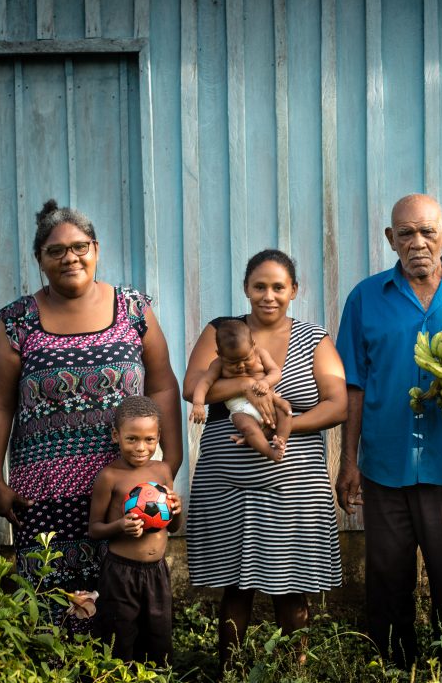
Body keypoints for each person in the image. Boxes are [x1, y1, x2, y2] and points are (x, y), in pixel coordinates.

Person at [0, 199, 182, 632]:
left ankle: (125, 672)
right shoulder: (18, 321)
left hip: (128, 488)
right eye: (56, 250)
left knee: (126, 601)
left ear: (96, 249)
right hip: (46, 492)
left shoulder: (133, 310)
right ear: (40, 260)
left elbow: (163, 385)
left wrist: (171, 462)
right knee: (53, 603)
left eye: (80, 246)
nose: (70, 257)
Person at [335, 193, 442, 673]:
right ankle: (393, 666)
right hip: (385, 466)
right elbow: (353, 384)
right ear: (390, 239)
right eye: (406, 233)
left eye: (427, 231)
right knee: (387, 581)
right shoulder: (365, 298)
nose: (417, 242)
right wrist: (348, 462)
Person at [184, 249, 347, 670]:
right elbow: (193, 387)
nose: (268, 295)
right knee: (234, 588)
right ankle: (231, 671)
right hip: (227, 477)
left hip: (293, 479)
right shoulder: (223, 331)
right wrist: (253, 384)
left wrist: (285, 427)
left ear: (294, 290)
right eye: (259, 286)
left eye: (278, 286)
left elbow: (337, 404)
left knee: (293, 588)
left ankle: (297, 672)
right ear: (246, 289)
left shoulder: (314, 338)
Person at [88, 395, 182, 665]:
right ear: (116, 435)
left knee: (159, 636)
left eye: (149, 440)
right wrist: (120, 526)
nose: (141, 448)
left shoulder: (163, 471)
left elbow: (173, 527)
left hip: (157, 572)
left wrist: (177, 510)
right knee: (121, 637)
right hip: (120, 573)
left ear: (159, 436)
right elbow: (94, 529)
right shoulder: (109, 477)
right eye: (132, 439)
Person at [188, 318, 292, 462]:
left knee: (286, 408)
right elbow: (204, 382)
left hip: (269, 400)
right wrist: (198, 404)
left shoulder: (261, 354)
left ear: (253, 346)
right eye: (232, 363)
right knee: (249, 429)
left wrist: (265, 382)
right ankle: (271, 452)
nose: (241, 366)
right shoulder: (217, 365)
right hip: (241, 408)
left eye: (246, 359)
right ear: (220, 354)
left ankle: (280, 440)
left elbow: (276, 372)